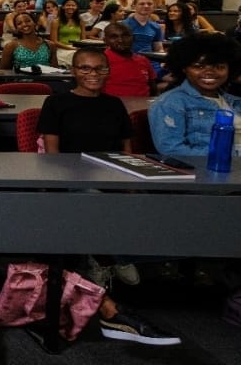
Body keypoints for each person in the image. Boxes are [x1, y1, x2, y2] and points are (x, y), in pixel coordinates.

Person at [37, 46, 181, 345]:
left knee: (147, 204)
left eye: (100, 69)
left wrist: (130, 184)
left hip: (112, 175)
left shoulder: (114, 105)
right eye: (86, 69)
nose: (93, 75)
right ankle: (106, 257)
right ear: (74, 71)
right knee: (93, 201)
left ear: (108, 71)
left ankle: (105, 256)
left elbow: (126, 151)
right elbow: (52, 155)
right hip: (71, 178)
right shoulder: (57, 102)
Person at [149, 32, 241, 157]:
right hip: (212, 170)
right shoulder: (170, 103)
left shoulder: (235, 101)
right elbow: (171, 150)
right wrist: (228, 156)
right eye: (199, 66)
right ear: (184, 68)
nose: (209, 72)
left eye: (219, 67)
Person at [101, 22, 157, 98]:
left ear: (133, 38)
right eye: (114, 37)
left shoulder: (143, 60)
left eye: (125, 36)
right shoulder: (100, 61)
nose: (120, 40)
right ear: (105, 40)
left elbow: (153, 89)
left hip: (144, 105)